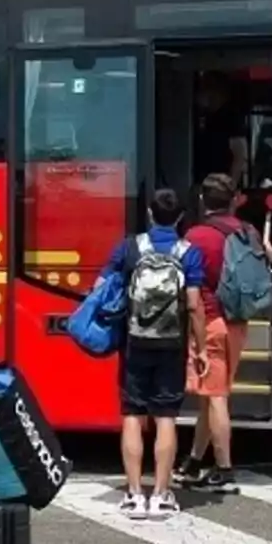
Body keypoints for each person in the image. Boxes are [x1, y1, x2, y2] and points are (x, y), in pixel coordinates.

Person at [100, 187, 207, 519]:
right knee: (165, 417)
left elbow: (101, 288)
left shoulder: (131, 247)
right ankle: (161, 495)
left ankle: (134, 494)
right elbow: (193, 304)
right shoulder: (189, 252)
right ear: (179, 218)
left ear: (149, 213)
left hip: (134, 341)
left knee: (132, 413)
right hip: (171, 344)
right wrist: (199, 348)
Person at [174, 173, 253, 494]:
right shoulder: (247, 231)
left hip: (210, 322)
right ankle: (194, 460)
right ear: (233, 199)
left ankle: (224, 469)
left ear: (204, 201)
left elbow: (183, 278)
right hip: (239, 322)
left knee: (216, 397)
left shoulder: (195, 235)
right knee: (212, 394)